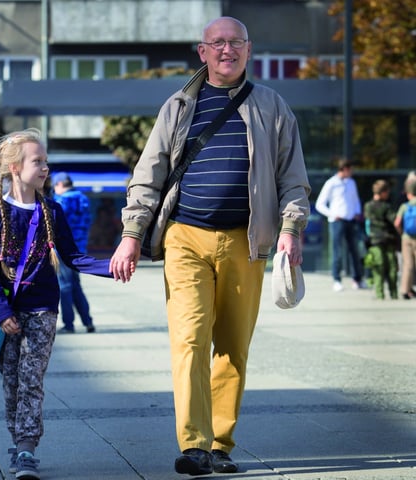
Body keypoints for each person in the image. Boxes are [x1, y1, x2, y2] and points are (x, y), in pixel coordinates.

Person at [108, 17, 310, 476]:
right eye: (217, 43)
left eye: (235, 42)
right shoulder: (178, 106)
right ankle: (195, 444)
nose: (226, 50)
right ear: (202, 52)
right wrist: (131, 236)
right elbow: (148, 174)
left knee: (233, 347)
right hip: (185, 237)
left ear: (248, 49)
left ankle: (221, 444)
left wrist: (290, 228)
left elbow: (293, 178)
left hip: (246, 241)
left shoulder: (273, 106)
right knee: (189, 340)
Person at [0, 129, 125, 480]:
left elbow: (73, 257)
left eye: (46, 161)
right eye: (38, 161)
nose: (45, 167)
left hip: (44, 309)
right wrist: (2, 313)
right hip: (9, 313)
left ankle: (27, 449)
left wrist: (114, 267)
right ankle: (17, 440)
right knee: (11, 380)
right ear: (15, 167)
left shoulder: (51, 210)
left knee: (31, 379)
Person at [51, 171, 96, 333]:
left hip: (63, 249)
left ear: (60, 184)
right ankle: (88, 321)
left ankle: (68, 324)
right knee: (75, 285)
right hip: (80, 248)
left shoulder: (61, 201)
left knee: (65, 286)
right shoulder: (84, 200)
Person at [315, 158, 368, 291]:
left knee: (354, 251)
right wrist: (332, 214)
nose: (352, 172)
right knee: (337, 251)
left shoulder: (351, 183)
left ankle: (357, 279)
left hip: (351, 221)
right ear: (344, 169)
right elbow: (319, 204)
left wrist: (357, 212)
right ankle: (337, 280)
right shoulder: (331, 183)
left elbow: (356, 201)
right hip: (337, 222)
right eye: (350, 169)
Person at [362, 180, 399, 300]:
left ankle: (380, 294)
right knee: (392, 267)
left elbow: (368, 222)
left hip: (374, 240)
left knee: (378, 267)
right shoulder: (387, 207)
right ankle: (393, 294)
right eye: (387, 192)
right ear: (383, 192)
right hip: (388, 239)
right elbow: (395, 220)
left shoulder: (368, 206)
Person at [394, 177, 416, 299]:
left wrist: (402, 233)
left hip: (406, 238)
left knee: (407, 265)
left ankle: (404, 290)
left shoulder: (405, 206)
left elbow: (397, 223)